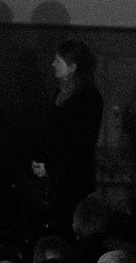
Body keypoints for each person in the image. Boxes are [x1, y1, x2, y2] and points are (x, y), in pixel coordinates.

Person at [31, 39, 105, 238]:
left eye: (58, 61)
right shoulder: (62, 92)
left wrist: (51, 166)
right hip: (57, 179)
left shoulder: (88, 99)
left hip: (72, 182)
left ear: (72, 67)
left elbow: (79, 146)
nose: (52, 64)